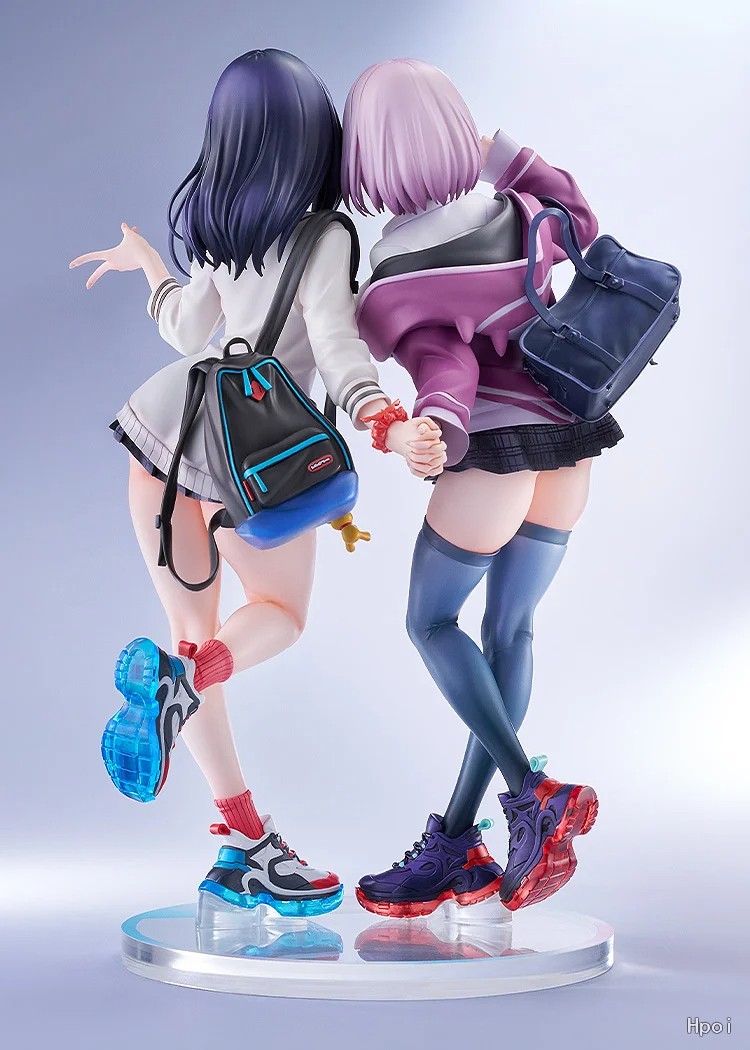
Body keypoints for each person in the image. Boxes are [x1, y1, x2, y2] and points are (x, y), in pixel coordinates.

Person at [70, 48, 446, 917]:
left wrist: (147, 262)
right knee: (276, 616)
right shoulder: (326, 235)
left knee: (186, 638)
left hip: (160, 437)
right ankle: (188, 686)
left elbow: (185, 330)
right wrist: (387, 424)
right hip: (255, 457)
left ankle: (243, 844)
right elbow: (340, 352)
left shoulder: (222, 229)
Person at [343, 58, 617, 915]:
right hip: (571, 443)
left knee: (431, 622)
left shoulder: (398, 266)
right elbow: (582, 216)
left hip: (497, 452)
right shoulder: (520, 210)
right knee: (510, 632)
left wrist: (437, 425)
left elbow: (446, 364)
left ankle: (531, 792)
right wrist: (505, 153)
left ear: (369, 153)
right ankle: (458, 845)